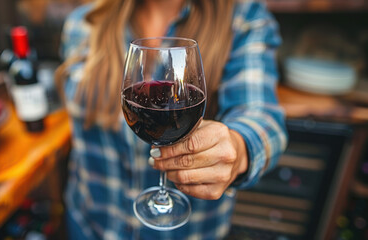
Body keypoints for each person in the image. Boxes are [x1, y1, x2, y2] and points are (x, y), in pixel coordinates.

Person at [55, 0, 288, 239]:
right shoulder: (85, 22)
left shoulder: (242, 20)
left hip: (189, 233)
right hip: (91, 225)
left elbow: (262, 118)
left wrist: (238, 147)